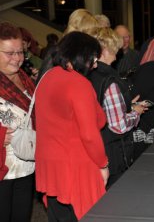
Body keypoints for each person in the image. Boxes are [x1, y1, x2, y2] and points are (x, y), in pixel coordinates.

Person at [35, 31, 109, 221]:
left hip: (49, 164)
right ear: (82, 56)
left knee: (57, 215)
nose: (95, 64)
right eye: (93, 58)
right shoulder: (79, 83)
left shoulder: (47, 77)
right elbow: (92, 131)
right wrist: (103, 164)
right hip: (76, 166)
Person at [88, 27, 146, 188]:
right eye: (115, 47)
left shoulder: (87, 74)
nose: (118, 51)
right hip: (113, 153)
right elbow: (118, 125)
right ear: (106, 50)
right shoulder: (109, 80)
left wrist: (127, 104)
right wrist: (136, 112)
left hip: (96, 148)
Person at [0, 22, 36, 222]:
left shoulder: (25, 77)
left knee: (22, 216)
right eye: (9, 53)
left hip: (26, 163)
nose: (17, 59)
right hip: (2, 167)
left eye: (20, 52)